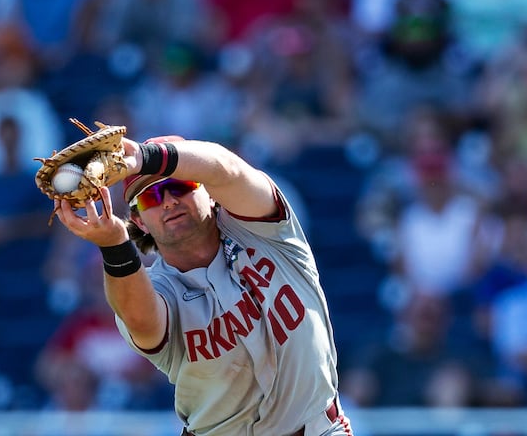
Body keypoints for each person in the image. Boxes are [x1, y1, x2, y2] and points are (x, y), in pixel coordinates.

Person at [52, 136, 353, 435]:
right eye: (151, 198)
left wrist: (145, 157)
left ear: (208, 190)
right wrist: (115, 246)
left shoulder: (264, 228)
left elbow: (227, 170)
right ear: (139, 221)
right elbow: (140, 321)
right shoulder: (157, 288)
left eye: (180, 186)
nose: (169, 200)